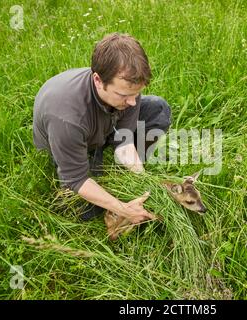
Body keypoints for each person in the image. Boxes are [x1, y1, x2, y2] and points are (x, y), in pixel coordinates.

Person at [32, 33, 171, 223]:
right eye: (124, 95)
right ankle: (95, 168)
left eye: (136, 93)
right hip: (73, 140)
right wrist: (124, 210)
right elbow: (76, 180)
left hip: (103, 126)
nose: (132, 102)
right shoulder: (67, 118)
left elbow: (124, 140)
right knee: (85, 211)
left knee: (158, 108)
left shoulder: (127, 94)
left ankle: (122, 176)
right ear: (98, 80)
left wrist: (143, 182)